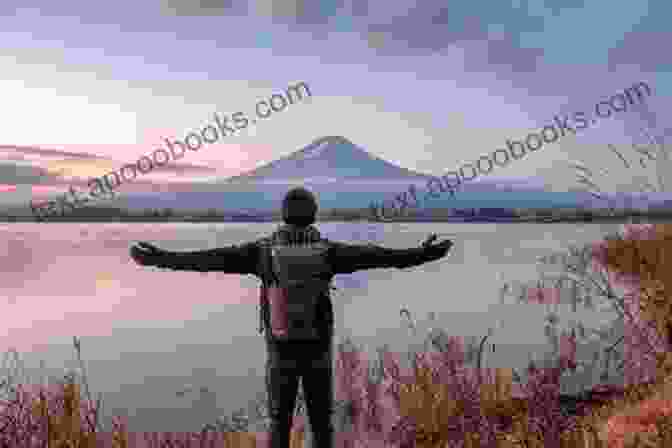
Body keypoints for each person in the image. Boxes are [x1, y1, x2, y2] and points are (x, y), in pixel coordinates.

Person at [129, 187, 453, 448]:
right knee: (321, 422)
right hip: (318, 350)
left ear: (283, 214)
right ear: (313, 214)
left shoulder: (261, 251)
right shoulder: (329, 251)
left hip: (279, 349)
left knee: (278, 422)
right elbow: (381, 257)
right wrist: (422, 254)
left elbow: (207, 259)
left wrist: (160, 258)